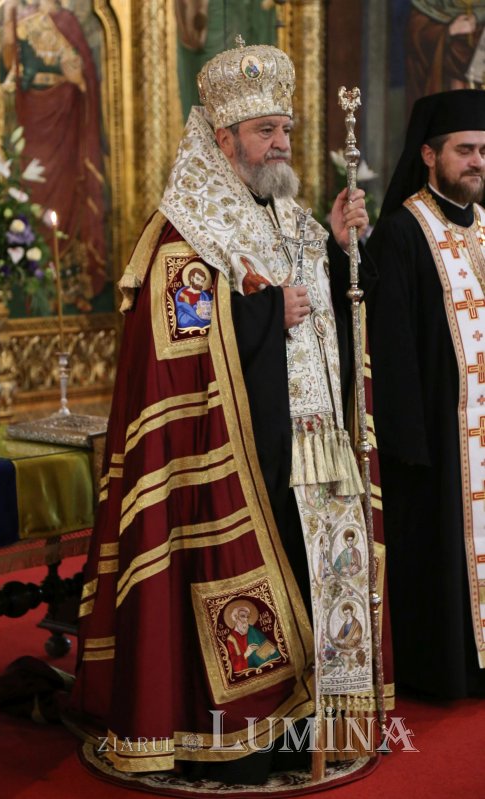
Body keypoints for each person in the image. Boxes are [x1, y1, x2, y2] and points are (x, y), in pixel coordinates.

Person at [69, 39, 384, 787]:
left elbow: (322, 310)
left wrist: (338, 246)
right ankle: (235, 736)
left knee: (318, 580)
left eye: (285, 129)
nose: (281, 144)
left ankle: (317, 721)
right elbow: (173, 338)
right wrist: (267, 312)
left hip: (306, 445)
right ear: (223, 139)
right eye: (265, 131)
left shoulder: (283, 211)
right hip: (230, 459)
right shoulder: (185, 228)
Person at [366, 89, 485, 699]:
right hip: (439, 435)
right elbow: (391, 347)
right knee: (443, 554)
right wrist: (408, 444)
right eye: (464, 150)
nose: (477, 162)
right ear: (429, 155)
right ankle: (448, 669)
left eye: (484, 151)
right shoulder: (402, 231)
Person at [0, 0, 107, 310]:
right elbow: (11, 68)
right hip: (34, 120)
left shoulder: (67, 22)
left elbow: (84, 73)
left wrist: (77, 80)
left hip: (67, 122)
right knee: (36, 195)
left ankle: (73, 285)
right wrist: (9, 33)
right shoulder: (20, 19)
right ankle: (39, 284)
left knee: (69, 197)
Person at [406, 1, 485, 113]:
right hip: (445, 95)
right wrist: (448, 31)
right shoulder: (429, 4)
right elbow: (416, 37)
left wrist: (476, 16)